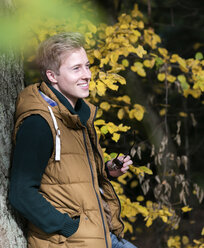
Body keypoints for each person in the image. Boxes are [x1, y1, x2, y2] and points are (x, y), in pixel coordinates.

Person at [9, 32, 137, 248]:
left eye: (87, 66)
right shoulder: (39, 123)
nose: (87, 75)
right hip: (70, 241)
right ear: (52, 76)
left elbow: (65, 178)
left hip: (101, 235)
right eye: (76, 68)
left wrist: (106, 172)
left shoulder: (78, 116)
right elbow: (21, 193)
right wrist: (67, 226)